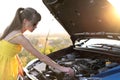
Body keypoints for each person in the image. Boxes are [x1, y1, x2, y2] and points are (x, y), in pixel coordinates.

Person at [0, 7, 74, 80]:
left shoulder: (11, 29)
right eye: (34, 24)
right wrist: (63, 69)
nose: (36, 27)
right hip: (4, 67)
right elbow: (42, 57)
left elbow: (8, 51)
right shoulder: (19, 37)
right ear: (25, 21)